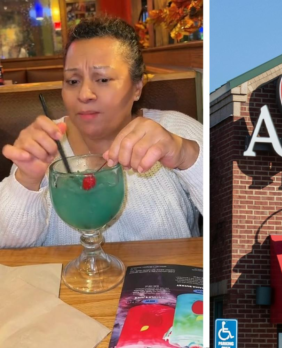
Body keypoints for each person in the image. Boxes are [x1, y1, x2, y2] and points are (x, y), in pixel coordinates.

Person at [0, 17, 203, 248]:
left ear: (137, 87)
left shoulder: (177, 131)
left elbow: (231, 210)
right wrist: (26, 181)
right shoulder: (43, 145)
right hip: (72, 283)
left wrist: (187, 155)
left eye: (103, 79)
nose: (85, 94)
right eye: (73, 80)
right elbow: (9, 247)